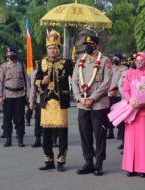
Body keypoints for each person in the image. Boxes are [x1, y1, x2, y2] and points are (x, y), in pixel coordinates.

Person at [72, 36, 113, 176]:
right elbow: (75, 81)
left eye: (90, 44)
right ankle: (88, 161)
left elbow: (106, 83)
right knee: (85, 133)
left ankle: (99, 162)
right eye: (86, 44)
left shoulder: (105, 61)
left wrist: (93, 98)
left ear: (97, 46)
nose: (87, 47)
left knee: (99, 134)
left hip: (99, 104)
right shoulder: (79, 61)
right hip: (83, 104)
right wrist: (79, 98)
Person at [35, 30, 72, 172]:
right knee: (46, 133)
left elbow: (75, 77)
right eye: (50, 48)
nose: (52, 50)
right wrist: (42, 82)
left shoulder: (67, 63)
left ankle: (61, 160)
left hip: (60, 102)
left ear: (58, 49)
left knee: (62, 133)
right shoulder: (41, 63)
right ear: (47, 49)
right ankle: (48, 160)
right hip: (46, 103)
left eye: (55, 48)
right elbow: (36, 82)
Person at [122, 52, 145, 178]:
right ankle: (130, 167)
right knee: (130, 141)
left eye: (142, 60)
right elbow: (125, 90)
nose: (139, 62)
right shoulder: (129, 73)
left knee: (143, 141)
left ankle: (143, 168)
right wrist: (130, 100)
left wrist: (143, 103)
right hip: (131, 110)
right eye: (137, 60)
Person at [0, 46, 30, 147]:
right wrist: (0, 95)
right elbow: (0, 81)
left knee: (20, 118)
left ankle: (20, 139)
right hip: (8, 95)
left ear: (15, 54)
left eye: (11, 53)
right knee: (7, 119)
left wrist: (28, 94)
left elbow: (27, 80)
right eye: (8, 53)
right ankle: (8, 139)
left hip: (20, 95)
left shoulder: (21, 65)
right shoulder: (4, 66)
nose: (9, 55)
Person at [107, 52, 128, 142]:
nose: (115, 59)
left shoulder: (124, 68)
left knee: (119, 113)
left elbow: (122, 82)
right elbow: (106, 80)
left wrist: (115, 90)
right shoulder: (110, 68)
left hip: (119, 94)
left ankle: (120, 131)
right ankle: (110, 131)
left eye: (116, 58)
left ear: (120, 59)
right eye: (114, 57)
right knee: (109, 114)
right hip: (109, 94)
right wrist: (108, 90)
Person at [29, 61, 42, 147]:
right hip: (39, 99)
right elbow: (33, 87)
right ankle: (38, 140)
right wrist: (31, 101)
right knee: (38, 121)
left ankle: (54, 139)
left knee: (52, 121)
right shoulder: (37, 73)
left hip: (51, 100)